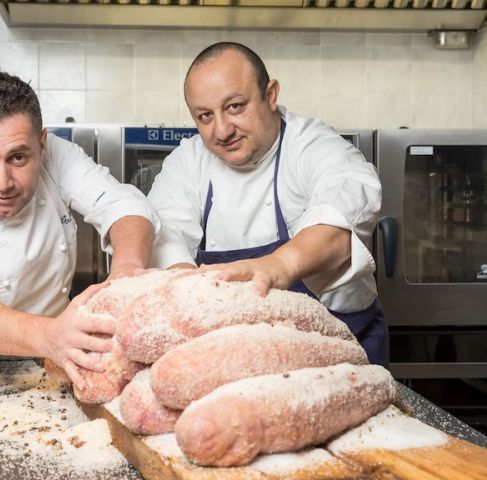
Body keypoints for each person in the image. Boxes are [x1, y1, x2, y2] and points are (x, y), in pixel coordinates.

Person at [0, 72, 160, 388]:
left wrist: (127, 269)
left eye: (18, 157)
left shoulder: (60, 156)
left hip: (46, 359)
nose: (3, 182)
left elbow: (122, 205)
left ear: (42, 143)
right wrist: (47, 336)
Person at [147, 42, 389, 366]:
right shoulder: (187, 162)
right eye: (205, 116)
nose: (221, 130)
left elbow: (347, 201)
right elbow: (164, 233)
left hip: (340, 350)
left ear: (271, 94)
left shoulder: (311, 145)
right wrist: (194, 293)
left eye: (234, 106)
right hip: (234, 355)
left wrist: (279, 266)